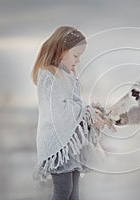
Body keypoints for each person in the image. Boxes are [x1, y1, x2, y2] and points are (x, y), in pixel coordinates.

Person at [31, 26, 107, 200]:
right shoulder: (49, 76)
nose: (78, 61)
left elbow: (75, 105)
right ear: (61, 51)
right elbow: (58, 110)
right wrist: (87, 113)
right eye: (76, 55)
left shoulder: (69, 75)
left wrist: (92, 116)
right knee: (63, 190)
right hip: (58, 142)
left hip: (70, 143)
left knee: (74, 191)